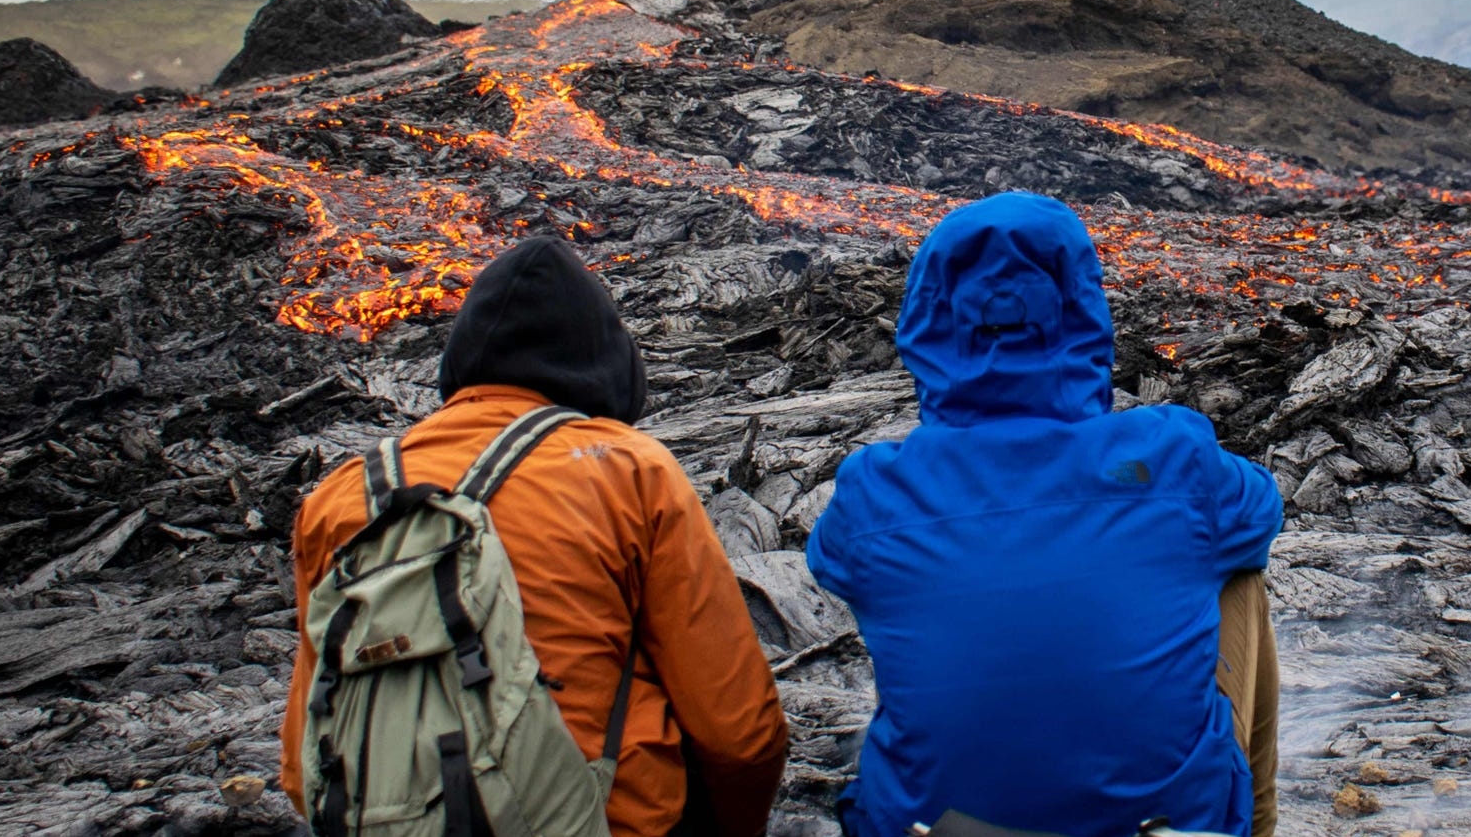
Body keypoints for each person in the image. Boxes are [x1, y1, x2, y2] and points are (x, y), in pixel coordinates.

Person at [808, 192, 1284, 837]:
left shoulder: (872, 491)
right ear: (1082, 310)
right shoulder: (1172, 456)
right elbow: (1263, 509)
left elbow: (835, 563)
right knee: (1236, 572)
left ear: (929, 320)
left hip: (934, 831)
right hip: (1158, 827)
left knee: (919, 599)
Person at [280, 236, 788, 837]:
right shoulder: (627, 469)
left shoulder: (341, 496)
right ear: (603, 358)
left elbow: (301, 760)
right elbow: (739, 735)